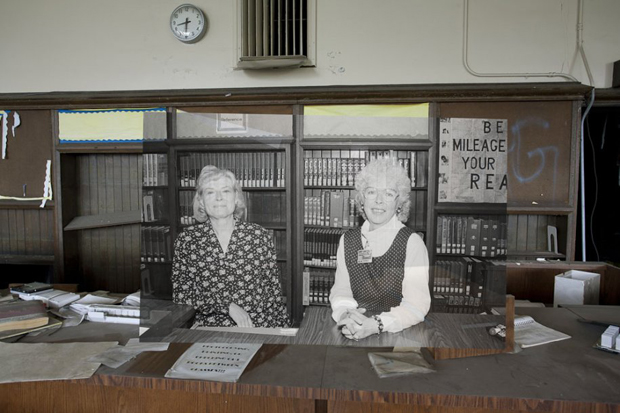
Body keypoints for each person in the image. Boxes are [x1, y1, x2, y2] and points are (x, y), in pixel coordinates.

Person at [171, 165, 290, 328]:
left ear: (236, 198)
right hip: (210, 328)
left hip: (258, 326)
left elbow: (274, 293)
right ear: (201, 201)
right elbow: (181, 295)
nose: (219, 198)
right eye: (210, 192)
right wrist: (226, 305)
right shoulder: (187, 241)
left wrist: (282, 334)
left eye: (226, 191)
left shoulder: (259, 236)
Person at [329, 158, 431, 340]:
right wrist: (346, 316)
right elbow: (341, 291)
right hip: (353, 331)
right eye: (371, 192)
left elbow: (417, 305)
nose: (378, 201)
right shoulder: (347, 240)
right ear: (362, 199)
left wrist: (375, 324)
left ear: (400, 203)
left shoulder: (412, 243)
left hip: (399, 336)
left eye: (389, 194)